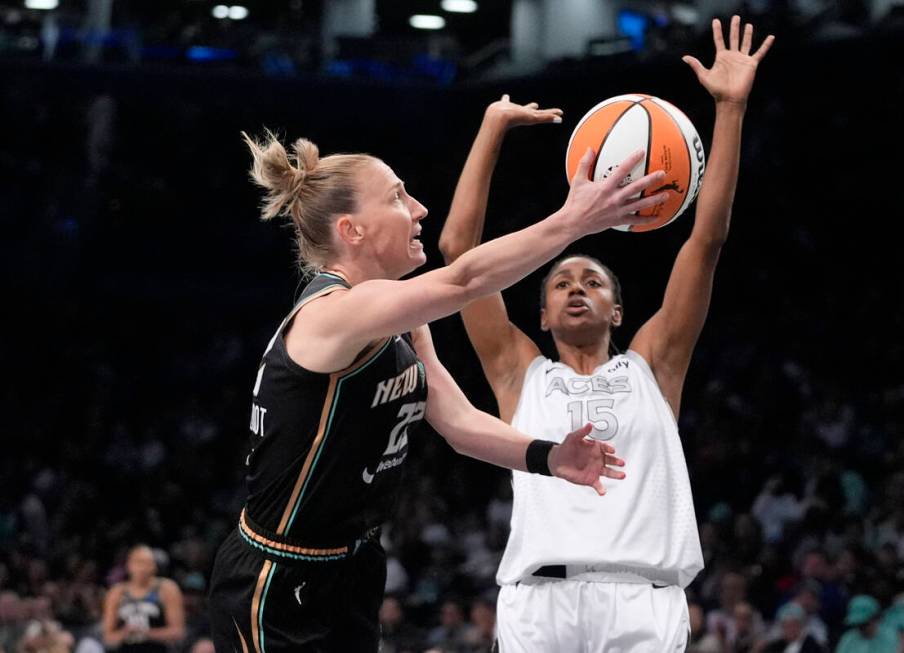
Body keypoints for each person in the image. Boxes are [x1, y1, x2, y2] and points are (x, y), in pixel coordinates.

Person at [207, 112, 670, 652]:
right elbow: (464, 279)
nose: (419, 209)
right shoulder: (330, 314)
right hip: (276, 578)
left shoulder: (400, 319)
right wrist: (572, 221)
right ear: (351, 230)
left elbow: (458, 422)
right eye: (399, 197)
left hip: (349, 570)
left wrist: (549, 457)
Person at [438, 16, 773, 652]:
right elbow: (459, 251)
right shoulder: (519, 371)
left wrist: (730, 109)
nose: (574, 288)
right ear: (539, 316)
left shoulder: (655, 364)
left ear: (618, 311)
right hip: (540, 602)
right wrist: (490, 130)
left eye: (591, 281)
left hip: (643, 601)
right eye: (560, 283)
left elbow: (706, 240)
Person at [101, 545, 186, 652]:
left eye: (147, 563)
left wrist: (146, 633)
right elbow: (108, 637)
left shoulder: (167, 588)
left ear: (154, 566)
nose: (142, 568)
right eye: (138, 562)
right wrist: (125, 633)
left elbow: (178, 632)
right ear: (128, 565)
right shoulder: (117, 592)